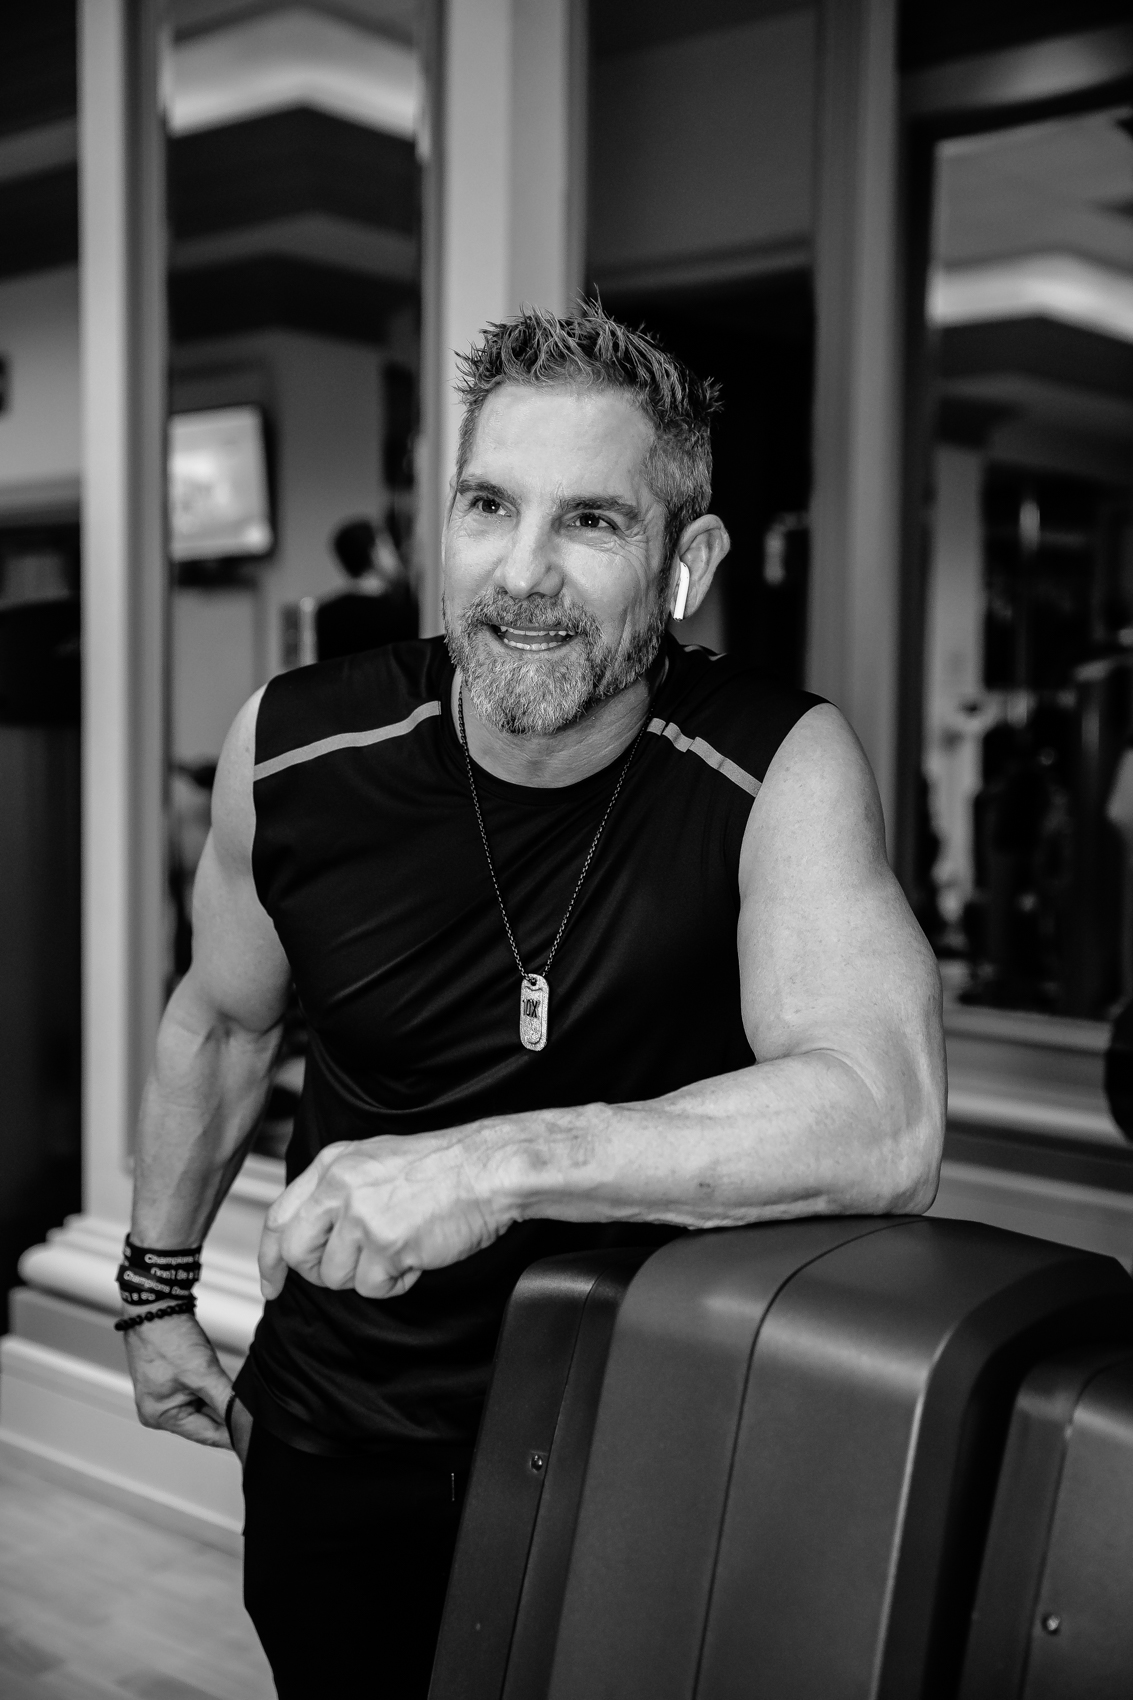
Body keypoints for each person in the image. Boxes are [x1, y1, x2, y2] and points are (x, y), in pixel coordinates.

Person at [120, 305, 945, 1698]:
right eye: (488, 505)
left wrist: (490, 1166)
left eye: (591, 524)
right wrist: (152, 1291)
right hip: (340, 1431)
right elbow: (223, 1021)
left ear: (685, 563)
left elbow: (884, 1117)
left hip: (645, 1438)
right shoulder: (297, 745)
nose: (521, 574)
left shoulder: (775, 764)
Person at [315, 516, 418, 660]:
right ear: (374, 554)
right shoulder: (401, 614)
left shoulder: (324, 614)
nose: (396, 554)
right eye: (388, 546)